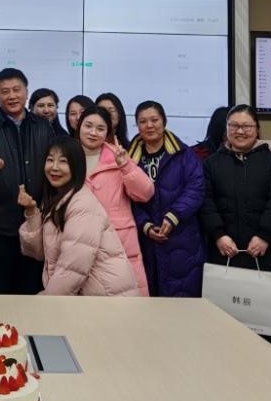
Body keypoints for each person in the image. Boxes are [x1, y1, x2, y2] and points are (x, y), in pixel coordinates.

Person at [18, 136, 139, 296]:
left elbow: (72, 270)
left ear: (76, 166)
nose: (54, 167)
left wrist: (47, 301)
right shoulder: (58, 199)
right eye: (50, 160)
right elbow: (39, 252)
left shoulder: (82, 204)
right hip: (92, 297)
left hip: (109, 298)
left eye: (63, 161)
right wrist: (31, 211)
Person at [0, 68, 55, 294]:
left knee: (32, 289)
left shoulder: (43, 126)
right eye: (5, 91)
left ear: (26, 92)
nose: (12, 96)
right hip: (1, 224)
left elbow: (54, 165)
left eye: (16, 90)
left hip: (37, 221)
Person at [128, 101, 208, 297]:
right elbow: (126, 198)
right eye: (143, 121)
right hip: (144, 241)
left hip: (182, 238)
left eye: (154, 120)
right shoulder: (129, 159)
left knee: (181, 302)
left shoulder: (184, 154)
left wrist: (173, 216)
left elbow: (196, 188)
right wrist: (145, 225)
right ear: (137, 125)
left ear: (164, 121)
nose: (149, 125)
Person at [200, 104, 271, 275]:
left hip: (264, 251)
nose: (240, 131)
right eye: (234, 126)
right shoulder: (211, 164)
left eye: (246, 126)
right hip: (223, 250)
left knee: (263, 292)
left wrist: (264, 236)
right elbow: (206, 202)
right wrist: (219, 235)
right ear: (226, 128)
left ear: (257, 129)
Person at [75, 106, 153, 296]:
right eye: (88, 126)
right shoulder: (67, 155)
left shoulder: (117, 156)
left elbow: (146, 193)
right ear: (79, 126)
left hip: (119, 240)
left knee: (125, 302)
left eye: (100, 128)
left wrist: (125, 166)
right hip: (79, 238)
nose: (93, 132)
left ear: (108, 132)